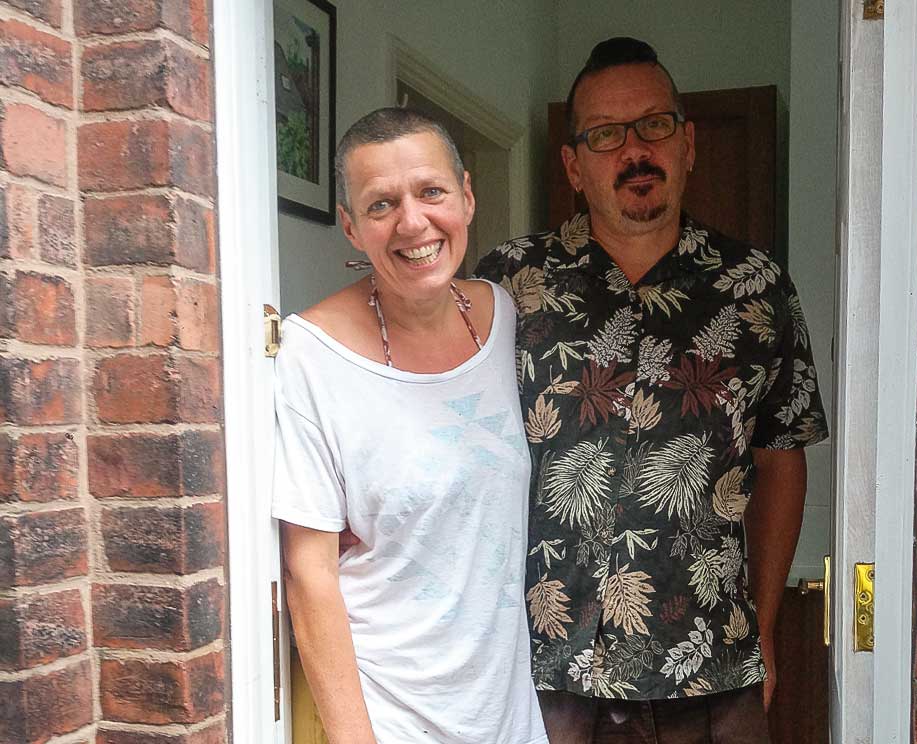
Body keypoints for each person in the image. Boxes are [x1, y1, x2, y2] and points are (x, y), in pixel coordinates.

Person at [476, 38, 828, 743]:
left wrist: (761, 631)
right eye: (605, 135)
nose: (634, 150)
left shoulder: (756, 289)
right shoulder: (511, 284)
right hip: (540, 669)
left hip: (711, 668)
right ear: (574, 166)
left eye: (654, 125)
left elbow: (780, 460)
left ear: (688, 143)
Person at [271, 107, 548, 744]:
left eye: (431, 192)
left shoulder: (502, 316)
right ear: (349, 227)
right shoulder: (312, 355)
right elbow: (309, 571)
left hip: (509, 717)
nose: (413, 222)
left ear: (467, 196)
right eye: (380, 205)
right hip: (388, 718)